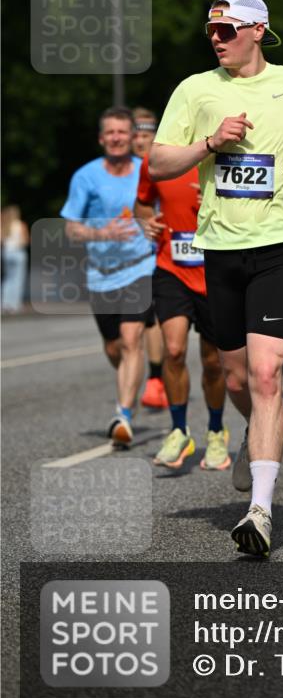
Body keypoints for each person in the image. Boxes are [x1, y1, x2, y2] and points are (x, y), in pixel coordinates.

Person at [149, 0, 283, 557]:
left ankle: (259, 510)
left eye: (228, 29)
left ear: (259, 29)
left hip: (281, 246)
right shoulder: (195, 89)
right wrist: (210, 142)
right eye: (211, 30)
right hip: (221, 249)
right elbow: (159, 162)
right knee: (235, 379)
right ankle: (255, 436)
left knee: (264, 376)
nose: (217, 38)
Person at [135, 157, 248, 469]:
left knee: (213, 363)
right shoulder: (156, 161)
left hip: (214, 269)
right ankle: (178, 429)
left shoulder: (223, 156)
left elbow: (257, 207)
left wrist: (223, 199)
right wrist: (148, 222)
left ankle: (215, 431)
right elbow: (142, 204)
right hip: (170, 269)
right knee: (173, 350)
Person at [61, 107, 155, 444]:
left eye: (122, 132)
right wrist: (102, 234)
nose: (116, 138)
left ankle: (124, 414)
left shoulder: (148, 171)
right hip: (101, 274)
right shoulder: (86, 177)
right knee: (114, 347)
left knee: (132, 341)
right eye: (110, 132)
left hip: (141, 266)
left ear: (133, 137)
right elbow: (72, 229)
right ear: (102, 138)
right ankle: (128, 384)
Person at [132, 107, 168, 410]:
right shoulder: (115, 168)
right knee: (121, 340)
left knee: (153, 318)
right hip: (123, 258)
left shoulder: (160, 164)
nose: (140, 140)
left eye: (146, 135)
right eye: (137, 135)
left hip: (157, 254)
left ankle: (157, 377)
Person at [1, 206, 29, 314]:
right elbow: (25, 241)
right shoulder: (21, 225)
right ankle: (14, 304)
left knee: (7, 279)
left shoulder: (4, 226)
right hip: (18, 253)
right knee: (17, 279)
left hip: (6, 253)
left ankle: (4, 303)